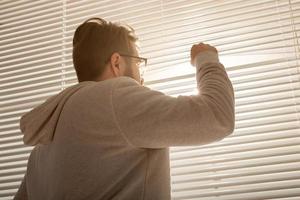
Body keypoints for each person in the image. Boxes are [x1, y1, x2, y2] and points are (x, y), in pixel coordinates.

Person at [14, 17, 235, 200]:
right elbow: (217, 116)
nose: (141, 76)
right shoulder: (115, 97)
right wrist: (205, 58)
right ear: (117, 62)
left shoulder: (41, 148)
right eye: (138, 62)